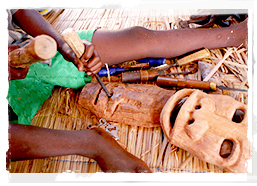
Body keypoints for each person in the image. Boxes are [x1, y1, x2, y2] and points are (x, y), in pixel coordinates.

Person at [7, 9, 247, 172]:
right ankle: (91, 143)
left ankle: (233, 35)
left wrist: (62, 45)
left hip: (28, 47)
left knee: (139, 38)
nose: (197, 121)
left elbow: (19, 8)